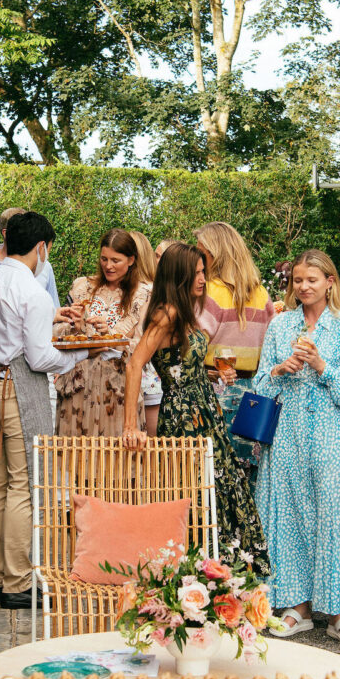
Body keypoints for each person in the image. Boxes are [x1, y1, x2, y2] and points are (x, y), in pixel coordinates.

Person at [121, 243, 271, 576]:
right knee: (193, 491)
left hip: (206, 410)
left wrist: (214, 373)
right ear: (180, 275)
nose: (203, 278)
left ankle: (220, 574)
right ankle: (195, 573)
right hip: (183, 417)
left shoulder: (185, 310)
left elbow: (179, 365)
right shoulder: (167, 313)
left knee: (218, 488)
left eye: (204, 271)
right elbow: (134, 366)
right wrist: (131, 426)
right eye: (197, 272)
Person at [0, 212, 88, 609]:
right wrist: (83, 353)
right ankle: (19, 584)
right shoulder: (34, 292)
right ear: (42, 247)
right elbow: (40, 358)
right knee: (22, 485)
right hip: (16, 388)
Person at [253, 250, 340, 646]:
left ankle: (337, 613)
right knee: (287, 513)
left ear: (330, 282)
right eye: (298, 280)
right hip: (286, 433)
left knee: (331, 514)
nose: (303, 287)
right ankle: (296, 608)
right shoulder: (281, 324)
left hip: (329, 436)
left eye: (312, 280)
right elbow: (260, 387)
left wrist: (320, 365)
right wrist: (280, 369)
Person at [54, 228, 151, 436]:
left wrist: (112, 336)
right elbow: (58, 333)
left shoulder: (143, 295)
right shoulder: (81, 287)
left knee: (116, 459)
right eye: (104, 259)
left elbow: (144, 346)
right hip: (79, 387)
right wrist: (76, 326)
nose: (108, 266)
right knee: (77, 458)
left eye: (116, 260)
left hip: (118, 391)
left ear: (131, 260)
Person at [194, 222, 275, 473]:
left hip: (214, 390)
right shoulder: (261, 294)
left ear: (214, 255)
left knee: (212, 475)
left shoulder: (209, 294)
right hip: (254, 396)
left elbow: (192, 346)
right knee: (249, 474)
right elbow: (272, 344)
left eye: (201, 253)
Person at [129, 231, 164, 433]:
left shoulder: (150, 291)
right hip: (145, 378)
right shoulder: (155, 289)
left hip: (147, 378)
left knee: (149, 449)